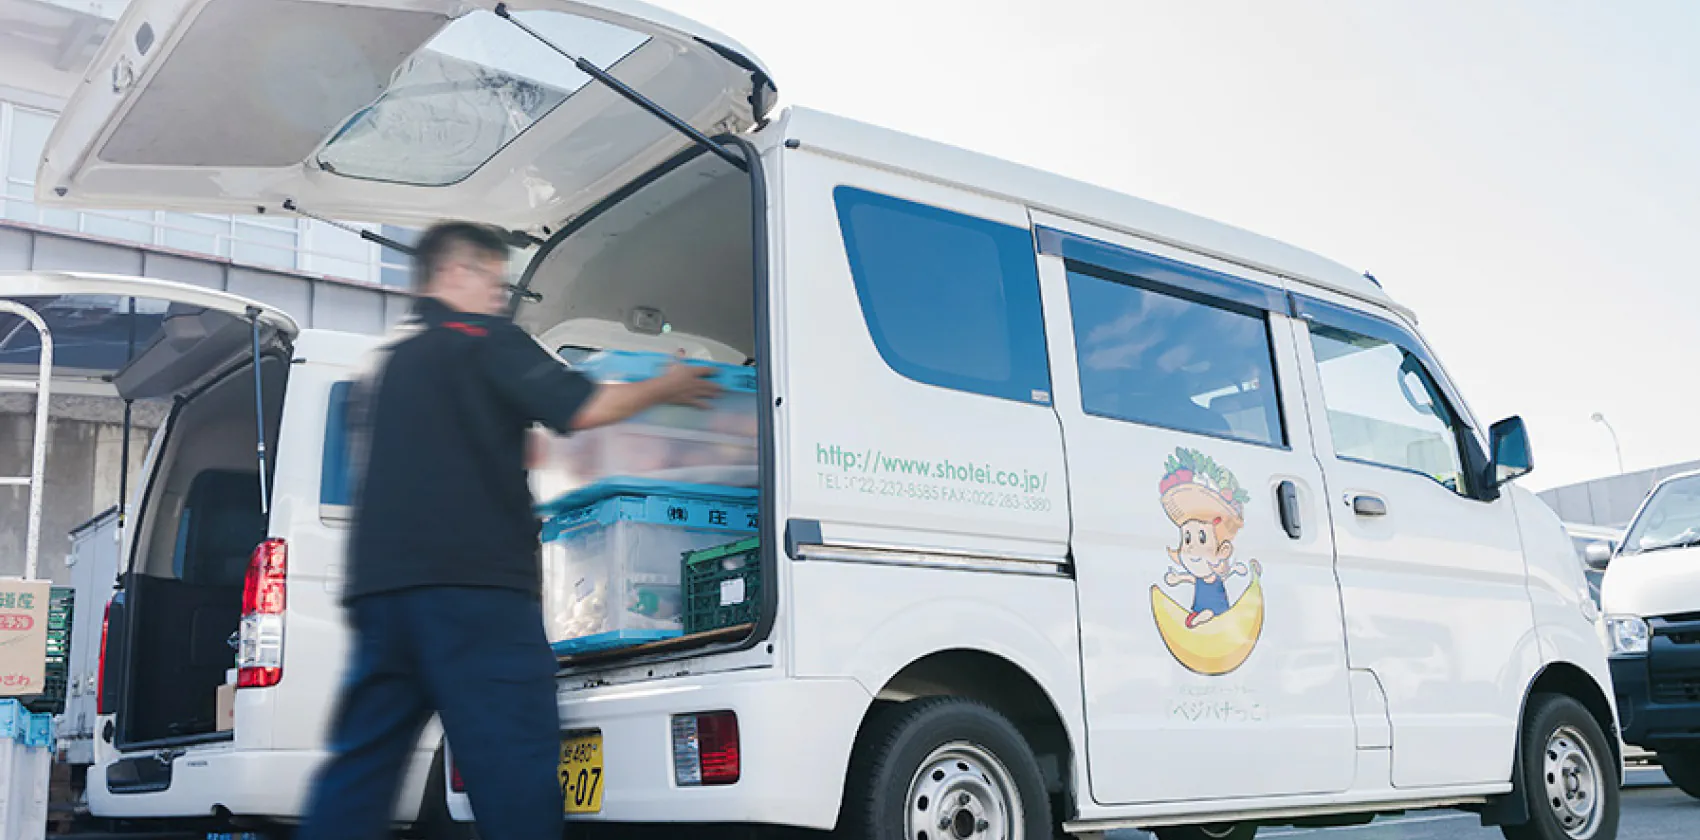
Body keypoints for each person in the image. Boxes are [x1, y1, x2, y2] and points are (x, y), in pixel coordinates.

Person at [297, 221, 721, 840]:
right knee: (512, 765)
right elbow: (583, 408)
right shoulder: (483, 340)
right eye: (493, 282)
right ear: (456, 274)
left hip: (382, 598)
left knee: (359, 769)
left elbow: (458, 449)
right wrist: (667, 386)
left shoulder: (390, 367)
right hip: (474, 594)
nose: (499, 298)